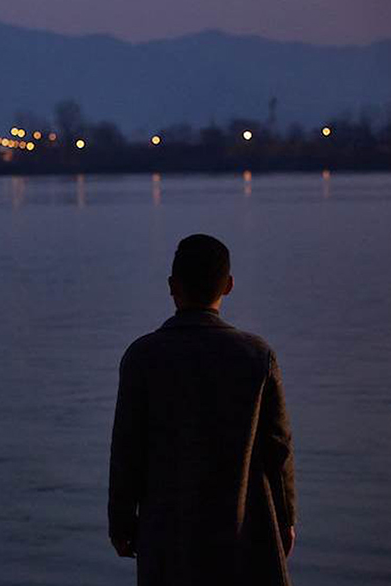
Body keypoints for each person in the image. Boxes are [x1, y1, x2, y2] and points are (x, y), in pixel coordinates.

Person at [109, 234, 296, 586]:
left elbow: (127, 451)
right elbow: (278, 449)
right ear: (228, 285)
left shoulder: (143, 358)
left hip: (168, 537)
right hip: (246, 532)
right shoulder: (258, 357)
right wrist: (285, 519)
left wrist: (121, 521)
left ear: (171, 286)